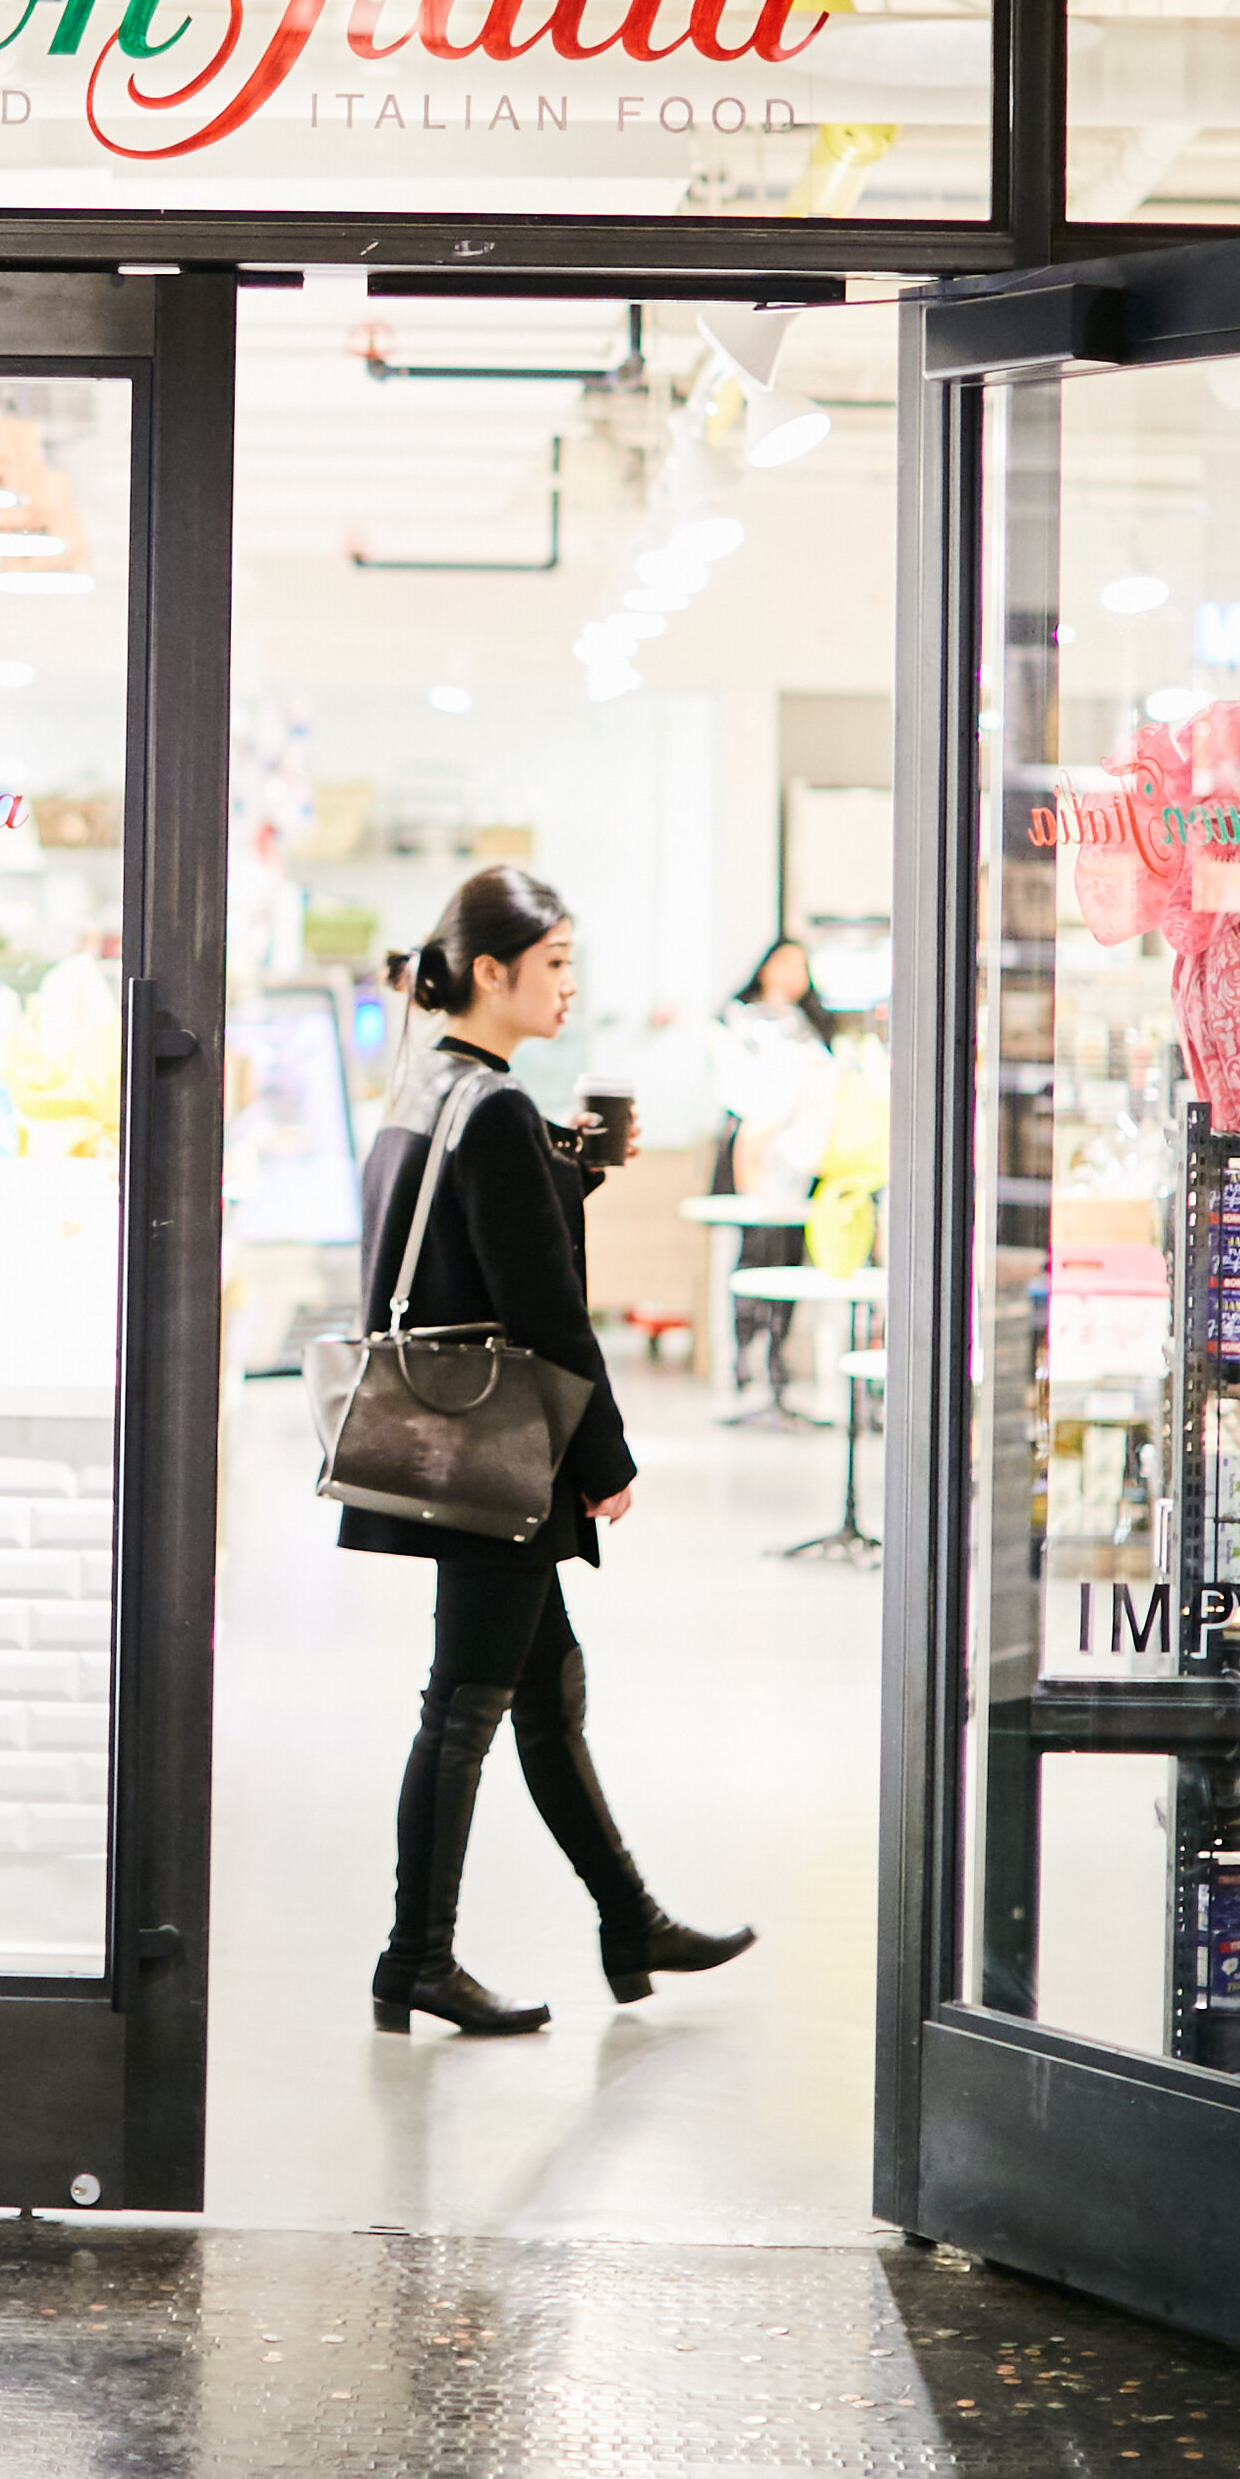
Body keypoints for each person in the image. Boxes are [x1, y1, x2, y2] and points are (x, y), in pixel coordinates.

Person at [348, 866, 754, 2035]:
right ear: (491, 970)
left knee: (544, 1693)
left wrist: (557, 1168)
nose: (571, 986)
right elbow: (546, 1311)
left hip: (448, 1433)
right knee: (466, 1708)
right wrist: (604, 1456)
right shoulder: (496, 1109)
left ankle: (628, 1920)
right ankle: (414, 1958)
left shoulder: (426, 1088)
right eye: (557, 962)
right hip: (498, 1451)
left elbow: (450, 1247)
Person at [714, 936, 838, 1410]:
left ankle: (778, 1358)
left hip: (802, 1160)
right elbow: (738, 1087)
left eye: (800, 966)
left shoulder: (813, 1026)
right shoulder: (738, 1019)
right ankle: (744, 1352)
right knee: (753, 1253)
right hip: (757, 1157)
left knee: (791, 1257)